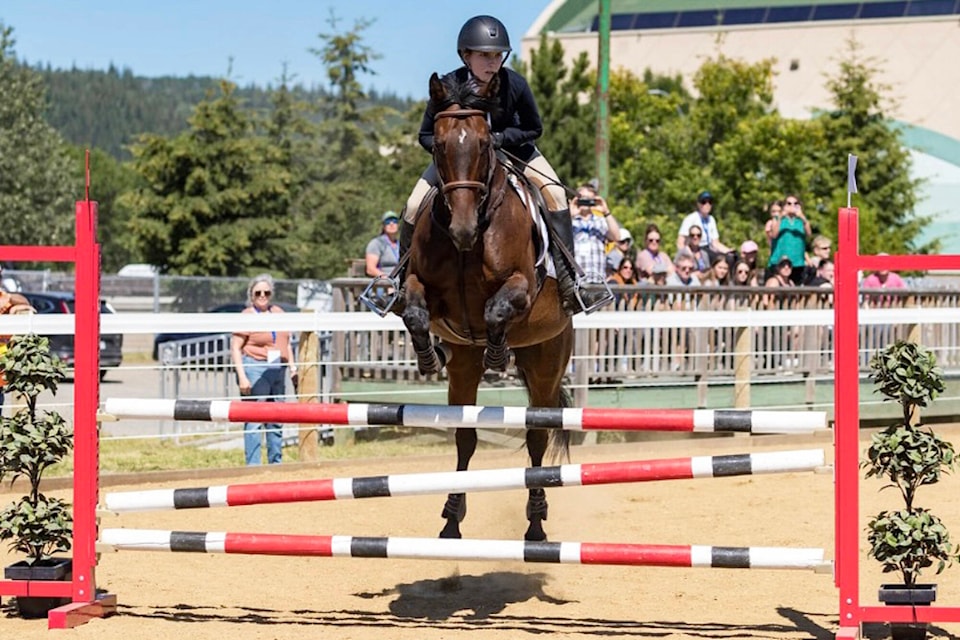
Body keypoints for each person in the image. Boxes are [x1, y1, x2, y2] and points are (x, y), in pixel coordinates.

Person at [397, 15, 607, 314]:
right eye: (484, 55)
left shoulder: (514, 84)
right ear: (465, 55)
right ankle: (399, 284)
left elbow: (534, 128)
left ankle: (569, 282)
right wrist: (453, 152)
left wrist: (498, 138)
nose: (492, 62)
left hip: (516, 152)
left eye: (497, 55)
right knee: (414, 203)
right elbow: (425, 135)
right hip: (461, 164)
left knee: (557, 195)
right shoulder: (446, 86)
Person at [230, 274, 296, 466]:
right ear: (251, 295)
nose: (262, 295)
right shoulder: (247, 316)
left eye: (266, 292)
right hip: (255, 368)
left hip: (278, 368)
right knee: (254, 419)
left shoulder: (279, 312)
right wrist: (242, 377)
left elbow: (287, 343)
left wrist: (293, 368)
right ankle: (253, 465)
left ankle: (276, 463)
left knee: (276, 418)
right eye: (258, 292)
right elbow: (235, 347)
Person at [571, 183, 621, 288]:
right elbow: (555, 234)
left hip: (597, 280)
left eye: (589, 198)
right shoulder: (570, 221)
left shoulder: (601, 221)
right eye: (582, 197)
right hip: (576, 281)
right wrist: (569, 214)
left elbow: (617, 237)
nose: (585, 201)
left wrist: (606, 211)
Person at [676, 190, 733, 263]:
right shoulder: (690, 219)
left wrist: (728, 251)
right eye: (704, 202)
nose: (707, 205)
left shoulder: (711, 219)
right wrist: (686, 256)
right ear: (698, 204)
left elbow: (715, 243)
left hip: (710, 248)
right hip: (697, 248)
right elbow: (680, 242)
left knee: (731, 258)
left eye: (710, 202)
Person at [768, 194, 811, 285]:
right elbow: (774, 235)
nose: (792, 206)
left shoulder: (800, 221)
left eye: (795, 203)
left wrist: (802, 217)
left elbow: (809, 234)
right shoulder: (778, 219)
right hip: (780, 261)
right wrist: (781, 216)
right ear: (784, 206)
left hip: (797, 262)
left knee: (796, 291)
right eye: (789, 203)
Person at [365, 211, 401, 279]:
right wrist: (387, 279)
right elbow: (370, 269)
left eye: (394, 221)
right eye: (388, 221)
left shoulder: (401, 245)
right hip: (383, 284)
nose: (391, 223)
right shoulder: (376, 244)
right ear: (383, 226)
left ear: (398, 225)